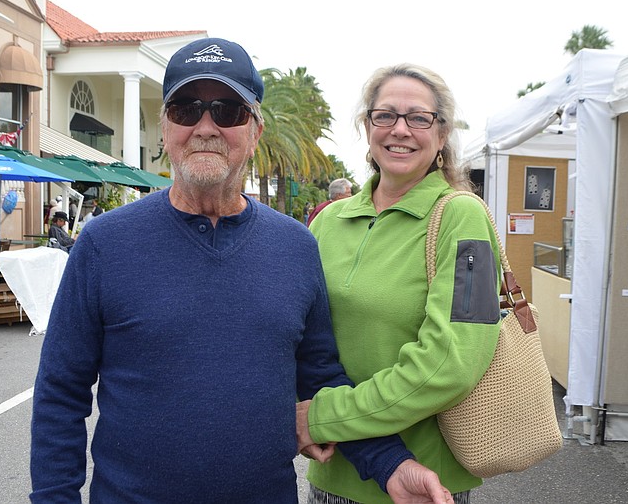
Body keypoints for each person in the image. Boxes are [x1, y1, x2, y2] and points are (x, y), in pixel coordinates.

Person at [30, 39, 451, 503]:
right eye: (186, 109)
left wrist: (391, 465)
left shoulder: (295, 247)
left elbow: (321, 376)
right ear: (165, 127)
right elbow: (60, 392)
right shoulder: (105, 244)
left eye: (228, 111)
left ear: (255, 129)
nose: (205, 127)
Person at [298, 64, 504, 503]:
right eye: (385, 115)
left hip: (422, 481)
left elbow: (451, 364)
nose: (400, 130)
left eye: (419, 117)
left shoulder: (465, 221)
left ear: (442, 134)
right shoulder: (328, 223)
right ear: (367, 126)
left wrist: (325, 416)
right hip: (333, 473)